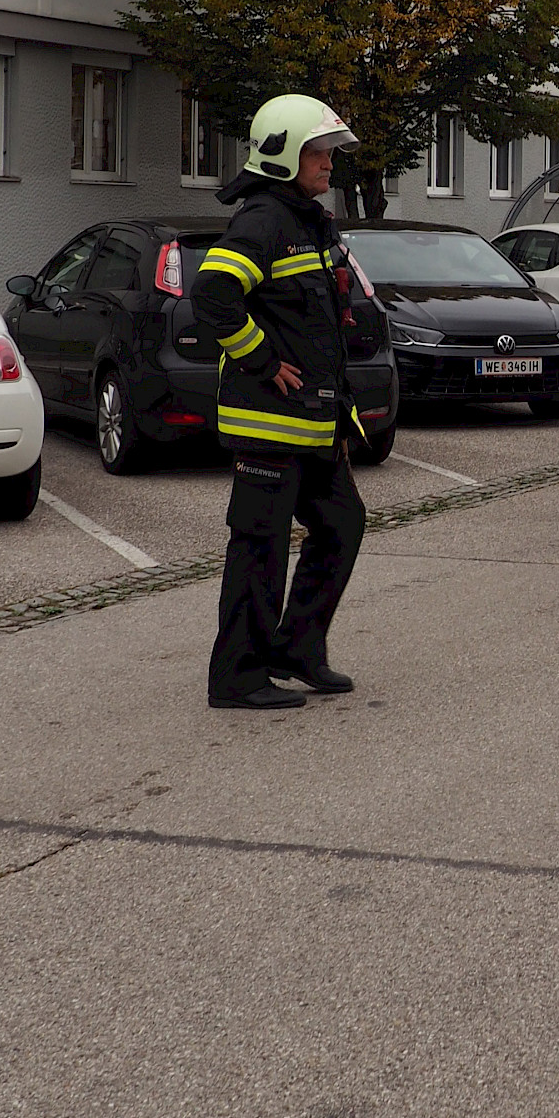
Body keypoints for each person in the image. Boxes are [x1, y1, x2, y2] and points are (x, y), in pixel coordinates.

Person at [194, 94, 370, 708]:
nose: (329, 164)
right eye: (319, 153)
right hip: (268, 424)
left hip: (312, 424)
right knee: (260, 548)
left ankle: (297, 649)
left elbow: (317, 322)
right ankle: (237, 677)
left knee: (342, 525)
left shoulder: (309, 222)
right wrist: (263, 360)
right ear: (284, 155)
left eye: (329, 153)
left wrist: (340, 412)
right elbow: (212, 295)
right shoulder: (263, 219)